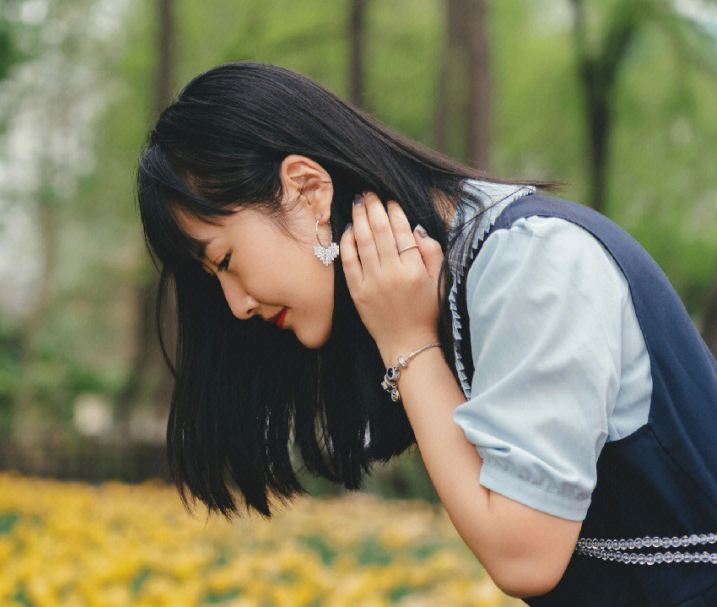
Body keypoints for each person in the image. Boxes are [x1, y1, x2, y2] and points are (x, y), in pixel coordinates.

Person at [134, 61, 717, 605]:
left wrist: (408, 344)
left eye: (227, 260)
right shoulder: (457, 285)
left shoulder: (533, 268)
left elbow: (525, 556)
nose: (234, 305)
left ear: (307, 190)